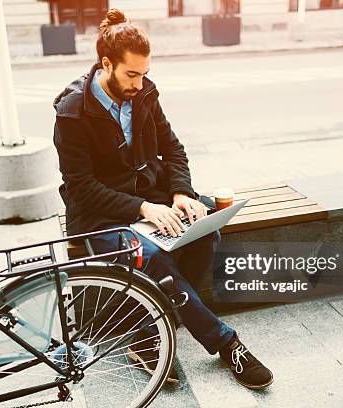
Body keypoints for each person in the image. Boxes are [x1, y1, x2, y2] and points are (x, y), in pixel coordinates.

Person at [52, 8, 273, 390]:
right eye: (131, 75)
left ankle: (146, 333)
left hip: (152, 198)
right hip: (100, 215)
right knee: (154, 259)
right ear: (107, 64)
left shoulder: (145, 93)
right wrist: (142, 208)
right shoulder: (73, 113)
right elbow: (81, 186)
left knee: (206, 232)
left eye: (145, 74)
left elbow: (173, 149)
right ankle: (226, 343)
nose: (140, 83)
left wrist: (181, 193)